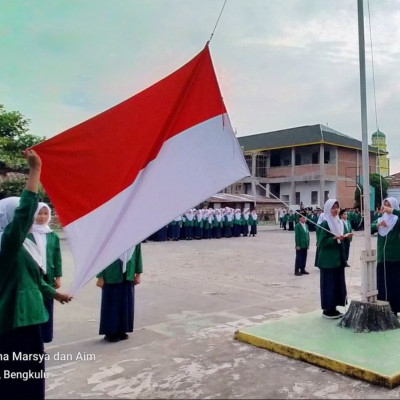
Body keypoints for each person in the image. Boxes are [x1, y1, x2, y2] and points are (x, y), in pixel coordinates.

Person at [0, 149, 72, 400]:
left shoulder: (18, 247)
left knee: (28, 374)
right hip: (15, 319)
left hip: (29, 318)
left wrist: (56, 294)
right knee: (17, 375)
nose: (32, 217)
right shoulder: (6, 245)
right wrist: (35, 171)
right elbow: (23, 215)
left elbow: (36, 279)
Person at [28, 202, 62, 343]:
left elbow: (57, 256)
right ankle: (34, 341)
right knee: (34, 309)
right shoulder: (27, 234)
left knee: (47, 308)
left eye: (45, 213)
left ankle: (44, 340)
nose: (42, 217)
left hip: (48, 277)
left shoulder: (52, 235)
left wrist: (58, 276)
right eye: (39, 213)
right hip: (32, 277)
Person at [96, 243, 143, 342]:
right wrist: (100, 276)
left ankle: (123, 330)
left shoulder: (136, 234)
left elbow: (138, 254)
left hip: (128, 273)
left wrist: (138, 274)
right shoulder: (110, 232)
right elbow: (99, 255)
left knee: (126, 304)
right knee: (111, 305)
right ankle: (110, 332)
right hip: (111, 273)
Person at [316, 199, 352, 319]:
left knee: (337, 284)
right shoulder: (325, 223)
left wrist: (346, 237)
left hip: (338, 259)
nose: (336, 210)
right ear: (327, 209)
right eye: (333, 207)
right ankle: (328, 309)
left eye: (337, 207)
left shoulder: (340, 222)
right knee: (329, 284)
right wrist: (335, 239)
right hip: (328, 260)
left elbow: (344, 236)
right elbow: (321, 242)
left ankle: (335, 307)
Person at [372, 197, 400, 315]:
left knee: (394, 283)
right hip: (382, 258)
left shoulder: (397, 220)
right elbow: (370, 227)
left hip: (394, 257)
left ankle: (394, 308)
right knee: (382, 283)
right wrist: (378, 225)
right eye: (385, 205)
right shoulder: (379, 219)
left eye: (390, 205)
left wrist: (392, 211)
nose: (387, 208)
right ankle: (383, 308)